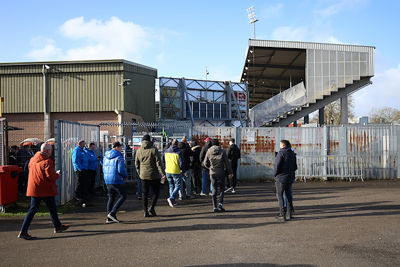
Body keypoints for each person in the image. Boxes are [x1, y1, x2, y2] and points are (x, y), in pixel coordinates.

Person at [17, 143, 69, 240]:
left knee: (33, 210)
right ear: (48, 151)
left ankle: (23, 231)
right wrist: (57, 174)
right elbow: (50, 176)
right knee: (52, 208)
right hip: (45, 189)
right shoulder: (48, 161)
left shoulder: (32, 159)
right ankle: (57, 226)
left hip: (35, 188)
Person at [135, 134, 166, 217]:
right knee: (156, 192)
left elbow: (136, 164)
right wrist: (163, 173)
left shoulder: (138, 150)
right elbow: (158, 163)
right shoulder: (154, 149)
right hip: (154, 175)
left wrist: (140, 173)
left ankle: (145, 212)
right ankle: (151, 207)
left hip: (143, 175)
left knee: (144, 194)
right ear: (149, 140)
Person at [203, 139, 233, 212]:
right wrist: (230, 172)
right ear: (218, 144)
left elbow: (205, 163)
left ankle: (214, 206)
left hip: (212, 172)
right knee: (222, 188)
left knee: (214, 188)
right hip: (221, 172)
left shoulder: (209, 151)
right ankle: (220, 203)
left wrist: (210, 168)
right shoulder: (222, 151)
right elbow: (227, 163)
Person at [103, 141, 128, 223]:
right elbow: (120, 169)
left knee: (111, 197)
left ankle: (109, 216)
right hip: (116, 179)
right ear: (116, 147)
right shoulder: (119, 156)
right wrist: (125, 175)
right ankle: (113, 213)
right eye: (121, 147)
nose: (122, 149)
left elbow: (103, 166)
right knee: (123, 195)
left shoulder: (105, 156)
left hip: (107, 179)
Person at [274, 140, 297, 222]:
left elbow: (277, 166)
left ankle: (282, 214)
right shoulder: (292, 153)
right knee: (288, 195)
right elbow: (295, 167)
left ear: (283, 145)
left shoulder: (281, 153)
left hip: (281, 177)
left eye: (280, 144)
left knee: (280, 195)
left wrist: (275, 174)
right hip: (290, 177)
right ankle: (289, 213)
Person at [163, 140, 184, 207]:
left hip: (168, 170)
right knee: (178, 185)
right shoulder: (179, 152)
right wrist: (182, 169)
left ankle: (172, 200)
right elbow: (181, 162)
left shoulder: (166, 151)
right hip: (176, 171)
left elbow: (162, 159)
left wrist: (165, 167)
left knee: (171, 185)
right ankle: (171, 198)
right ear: (177, 144)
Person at [72, 140, 89, 207]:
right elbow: (75, 161)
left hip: (84, 169)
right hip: (80, 170)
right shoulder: (77, 150)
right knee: (80, 183)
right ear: (80, 144)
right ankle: (78, 197)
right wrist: (80, 169)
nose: (85, 145)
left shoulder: (82, 150)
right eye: (84, 144)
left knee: (83, 183)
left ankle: (82, 198)